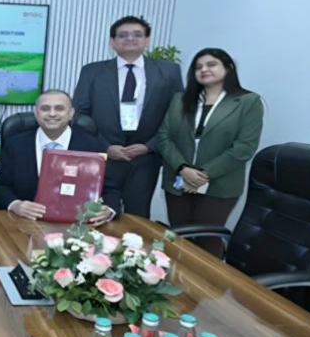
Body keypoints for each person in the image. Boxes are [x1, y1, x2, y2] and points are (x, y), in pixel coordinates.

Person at [72, 16, 184, 219]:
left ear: (147, 40)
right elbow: (81, 115)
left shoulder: (169, 71)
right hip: (103, 155)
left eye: (137, 35)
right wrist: (105, 147)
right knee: (97, 213)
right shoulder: (92, 71)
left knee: (137, 215)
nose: (130, 39)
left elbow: (176, 116)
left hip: (145, 158)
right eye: (123, 35)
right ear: (112, 41)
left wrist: (149, 146)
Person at [157, 48, 264, 257]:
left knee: (207, 238)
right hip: (178, 179)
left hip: (219, 183)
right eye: (198, 67)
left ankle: (209, 279)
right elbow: (164, 137)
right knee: (179, 237)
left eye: (211, 64)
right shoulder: (180, 99)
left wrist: (203, 174)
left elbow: (244, 147)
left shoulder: (248, 101)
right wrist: (183, 169)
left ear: (228, 68)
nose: (204, 69)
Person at [0, 90, 121, 224]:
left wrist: (109, 210)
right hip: (26, 222)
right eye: (45, 109)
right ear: (36, 112)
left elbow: (111, 189)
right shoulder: (15, 144)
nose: (52, 114)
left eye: (59, 108)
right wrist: (16, 205)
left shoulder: (93, 146)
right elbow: (1, 186)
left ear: (71, 113)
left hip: (78, 224)